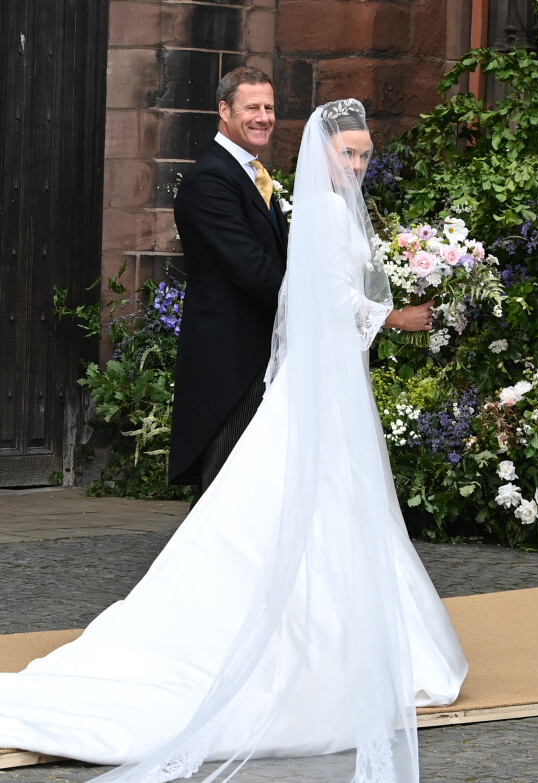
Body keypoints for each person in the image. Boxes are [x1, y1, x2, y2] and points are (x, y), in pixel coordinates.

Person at [0, 100, 467, 783]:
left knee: (336, 501)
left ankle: (350, 633)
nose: (360, 166)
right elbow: (320, 298)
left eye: (367, 155)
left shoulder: (320, 207)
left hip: (329, 378)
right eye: (350, 154)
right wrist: (395, 316)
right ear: (324, 155)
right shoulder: (321, 211)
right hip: (320, 381)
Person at [169, 67, 288, 495]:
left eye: (269, 107)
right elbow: (253, 270)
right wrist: (319, 303)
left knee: (249, 484)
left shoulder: (252, 175)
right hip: (230, 361)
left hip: (259, 352)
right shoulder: (210, 180)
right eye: (252, 107)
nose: (263, 117)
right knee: (225, 485)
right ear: (224, 110)